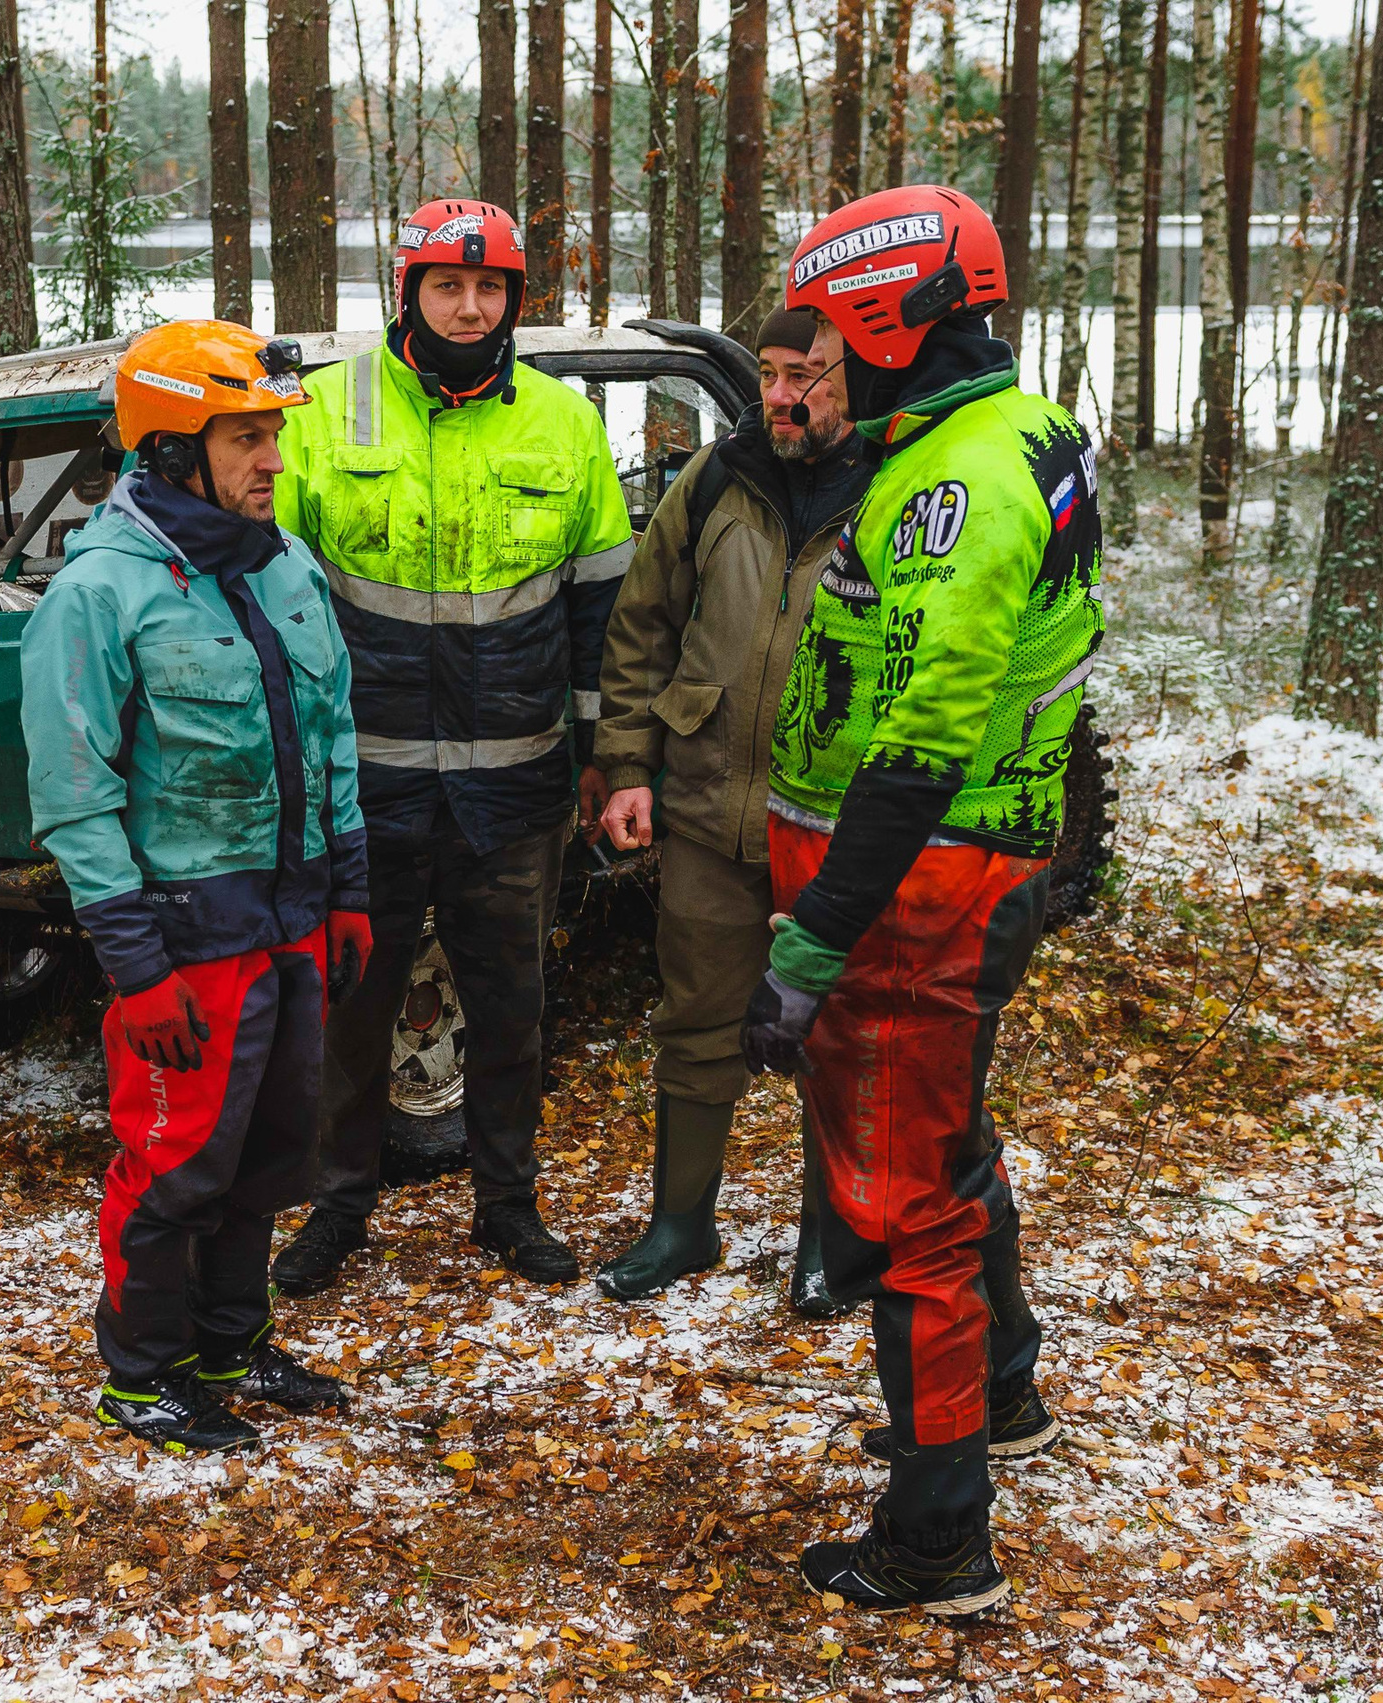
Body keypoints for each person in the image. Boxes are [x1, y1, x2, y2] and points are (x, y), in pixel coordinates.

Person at [738, 187, 1102, 1613]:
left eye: (828, 335)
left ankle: (937, 1533)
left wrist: (815, 940)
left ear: (891, 314)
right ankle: (1002, 1395)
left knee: (908, 1208)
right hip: (955, 864)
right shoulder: (1007, 429)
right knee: (955, 1146)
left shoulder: (960, 480)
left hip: (915, 888)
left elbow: (919, 737)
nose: (815, 364)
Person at [268, 200, 634, 1291]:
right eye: (446, 287)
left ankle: (506, 1204)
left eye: (489, 290)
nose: (469, 308)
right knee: (349, 1011)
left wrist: (603, 755)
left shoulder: (563, 423)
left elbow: (599, 605)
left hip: (516, 791)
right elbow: (276, 601)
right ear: (407, 293)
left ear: (513, 299)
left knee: (513, 1010)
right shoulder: (325, 410)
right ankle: (337, 1205)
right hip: (362, 790)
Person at [24, 320, 372, 1454]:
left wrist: (350, 889)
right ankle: (140, 1374)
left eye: (274, 432)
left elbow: (329, 736)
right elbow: (75, 799)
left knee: (266, 1160)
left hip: (291, 922)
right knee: (174, 1168)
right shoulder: (102, 594)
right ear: (173, 447)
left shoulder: (284, 564)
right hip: (185, 943)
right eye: (245, 436)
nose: (273, 458)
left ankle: (230, 1345)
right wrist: (137, 965)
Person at [591, 305, 882, 1308]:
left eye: (810, 373)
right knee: (696, 1018)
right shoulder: (716, 479)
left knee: (836, 1036)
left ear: (861, 376)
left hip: (838, 827)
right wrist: (629, 762)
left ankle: (828, 1242)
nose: (785, 394)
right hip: (709, 808)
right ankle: (680, 1225)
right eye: (767, 373)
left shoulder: (903, 490)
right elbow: (642, 625)